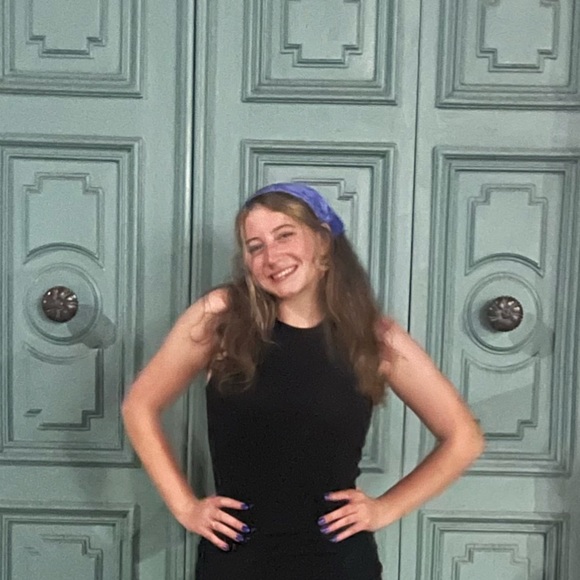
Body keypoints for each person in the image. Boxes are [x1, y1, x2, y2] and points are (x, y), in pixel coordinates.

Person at [122, 182, 485, 580]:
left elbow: (463, 438)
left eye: (284, 235)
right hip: (238, 559)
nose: (271, 256)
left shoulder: (373, 338)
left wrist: (386, 508)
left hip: (337, 561)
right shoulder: (222, 318)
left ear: (323, 242)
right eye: (255, 246)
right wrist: (185, 507)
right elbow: (139, 405)